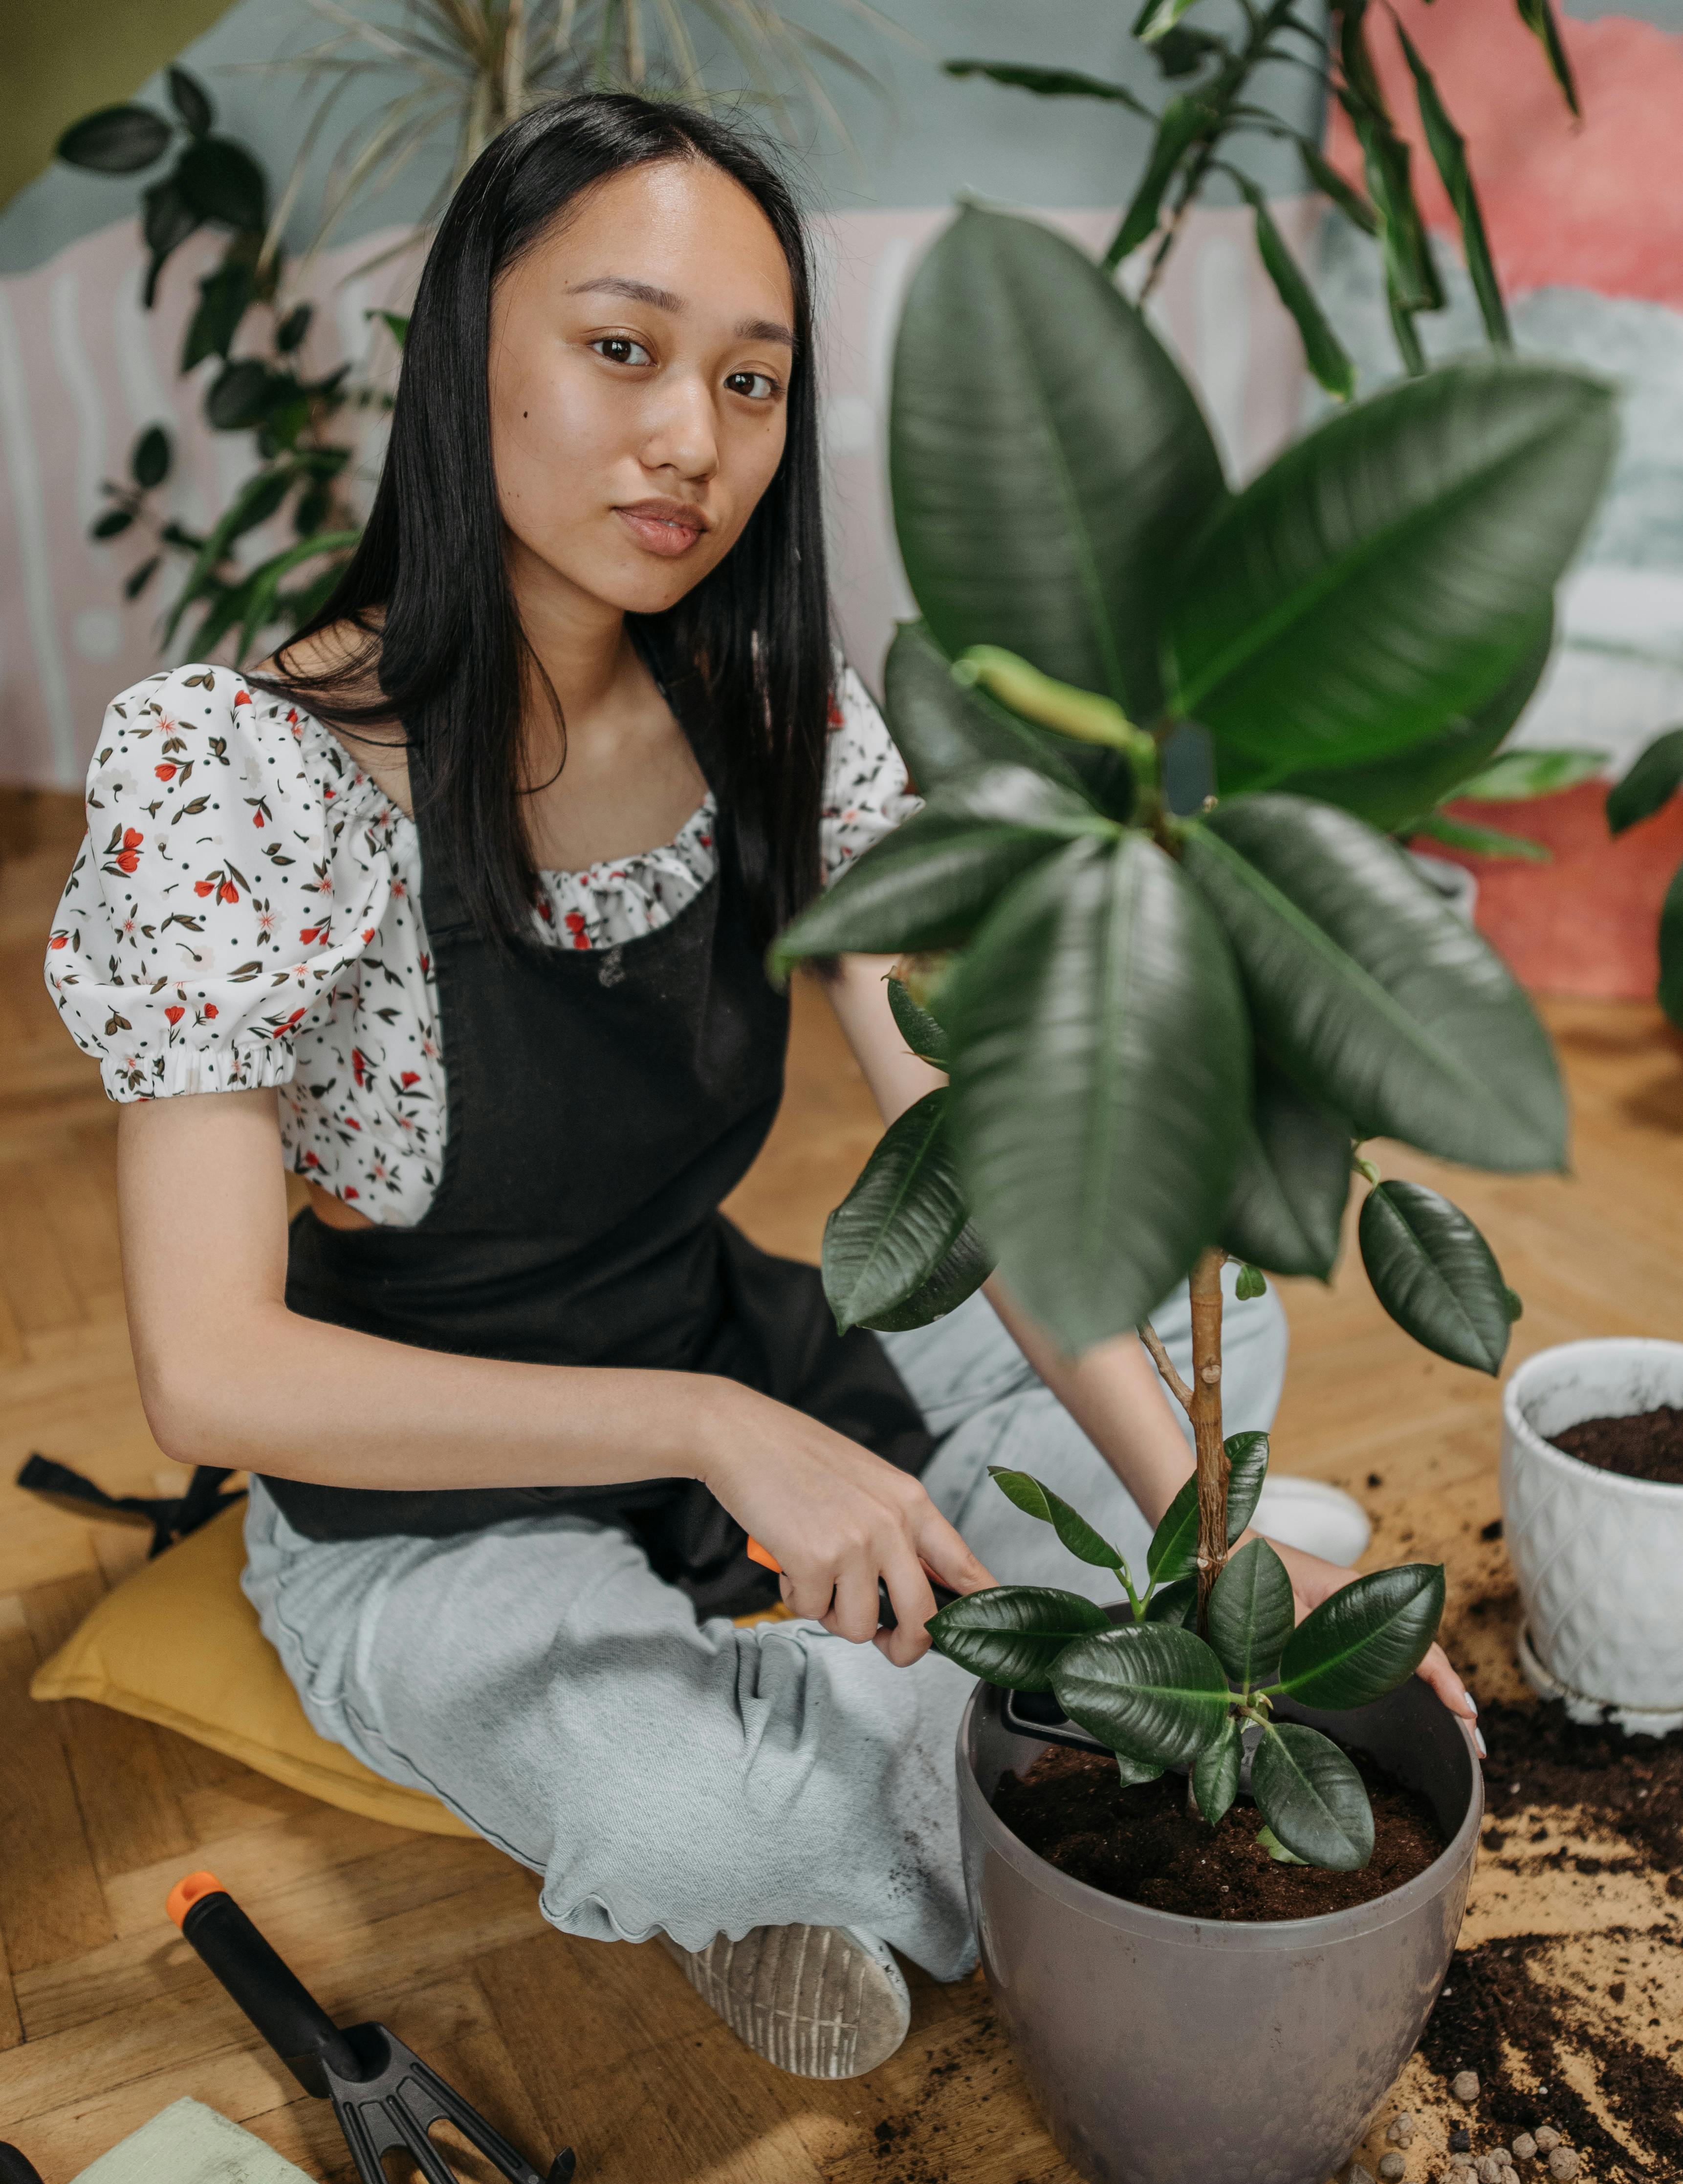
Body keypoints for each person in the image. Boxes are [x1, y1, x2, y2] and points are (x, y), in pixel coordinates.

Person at [45, 95, 1475, 2080]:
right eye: (621, 348)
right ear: (468, 357)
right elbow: (206, 1373)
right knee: (688, 1816)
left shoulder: (772, 711)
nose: (694, 441)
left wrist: (1209, 1541)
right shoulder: (244, 773)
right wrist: (721, 1434)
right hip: (429, 1505)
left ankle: (939, 1699)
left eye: (752, 381)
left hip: (741, 1343)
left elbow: (961, 1158)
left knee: (1210, 1316)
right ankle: (881, 1758)